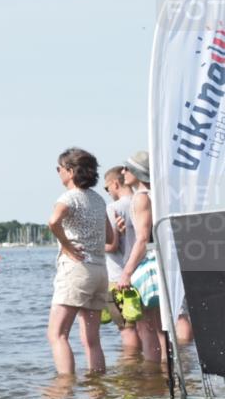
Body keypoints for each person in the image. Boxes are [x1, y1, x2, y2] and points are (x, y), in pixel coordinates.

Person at [46, 148, 114, 375]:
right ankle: (97, 389)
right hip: (99, 272)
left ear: (71, 171)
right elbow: (111, 238)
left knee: (57, 334)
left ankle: (65, 388)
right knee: (92, 340)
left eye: (59, 168)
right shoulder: (98, 200)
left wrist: (66, 245)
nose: (57, 172)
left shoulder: (68, 197)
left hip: (77, 270)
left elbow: (53, 221)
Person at [117, 151, 163, 363]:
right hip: (163, 259)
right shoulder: (159, 195)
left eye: (127, 168)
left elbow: (143, 238)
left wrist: (126, 272)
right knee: (163, 326)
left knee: (147, 327)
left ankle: (152, 378)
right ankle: (166, 372)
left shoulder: (141, 198)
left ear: (138, 171)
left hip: (151, 263)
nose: (123, 172)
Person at [99, 166, 139, 351]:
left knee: (126, 328)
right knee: (148, 328)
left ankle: (130, 368)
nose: (108, 193)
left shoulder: (113, 208)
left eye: (107, 189)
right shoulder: (143, 201)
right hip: (142, 273)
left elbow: (112, 245)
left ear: (115, 183)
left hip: (118, 276)